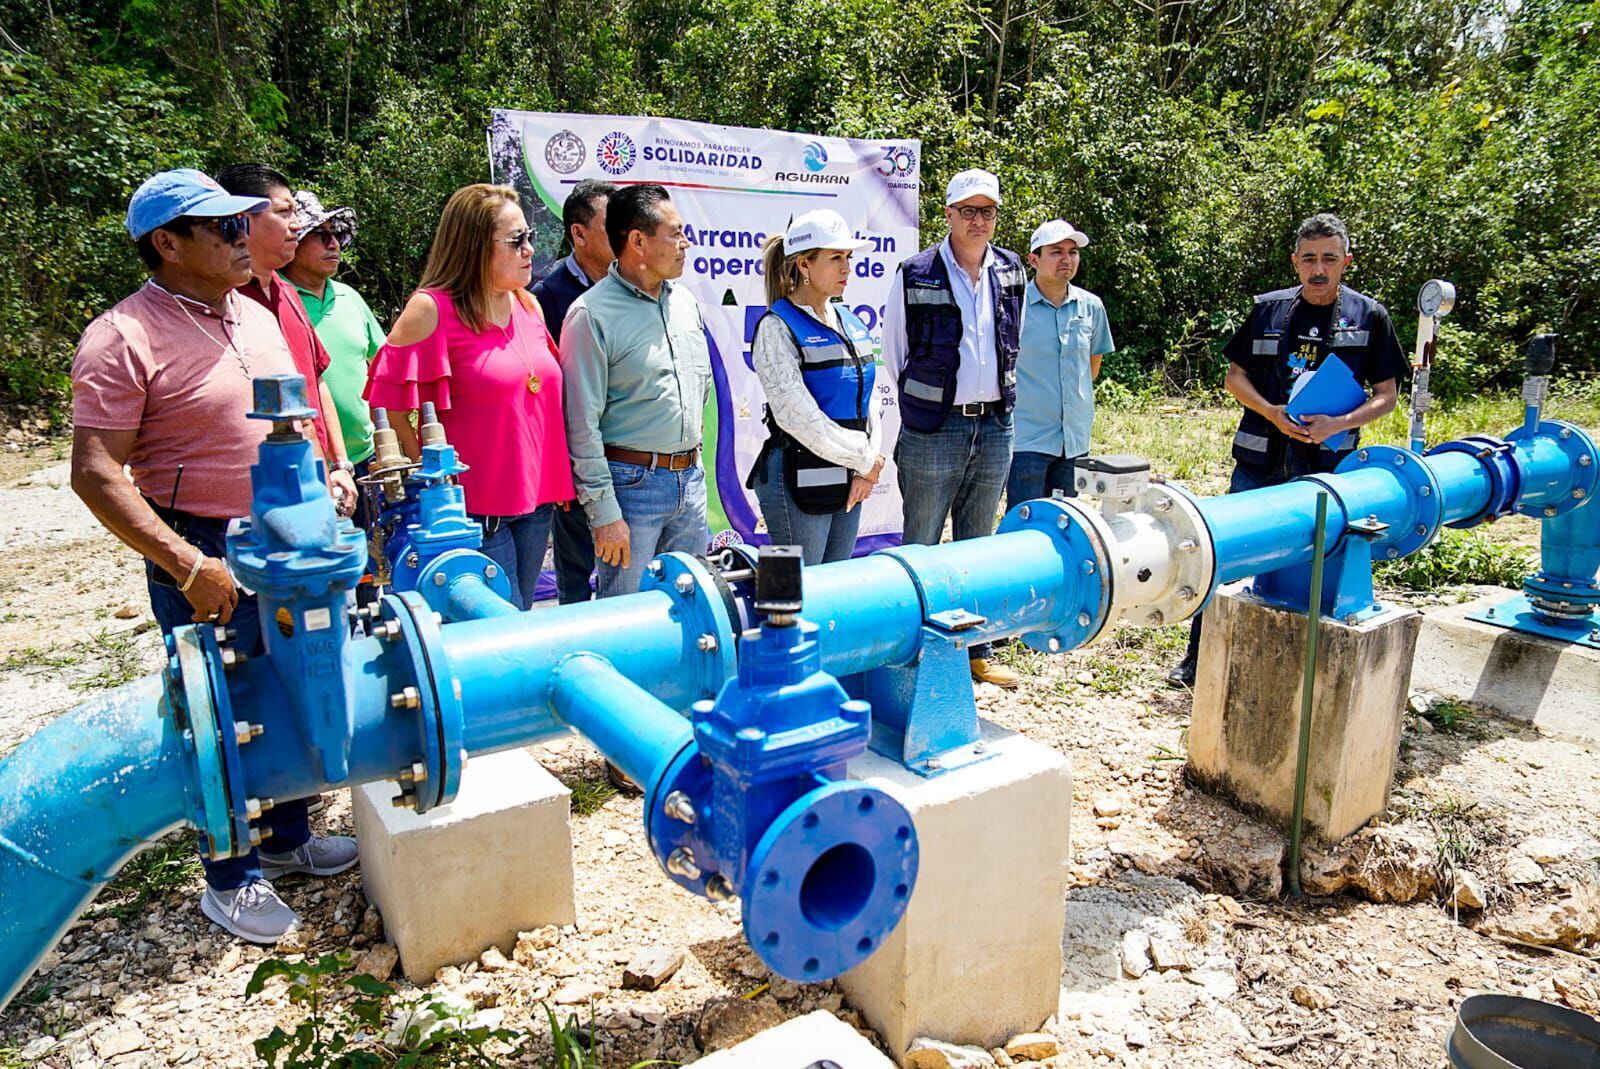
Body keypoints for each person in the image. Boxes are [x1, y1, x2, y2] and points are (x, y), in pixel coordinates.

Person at [70, 168, 357, 945]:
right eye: (225, 228)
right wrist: (187, 566)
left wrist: (329, 469)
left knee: (294, 682)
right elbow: (94, 471)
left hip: (284, 532)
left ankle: (289, 834)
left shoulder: (255, 313)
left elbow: (299, 402)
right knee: (221, 710)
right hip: (202, 545)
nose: (246, 238)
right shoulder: (122, 335)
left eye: (244, 224)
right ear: (167, 243)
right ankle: (231, 877)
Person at [1167, 211, 1406, 686]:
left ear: (1346, 262)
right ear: (1295, 262)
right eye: (1310, 259)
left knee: (1319, 554)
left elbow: (1387, 395)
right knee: (1228, 550)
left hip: (1328, 463)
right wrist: (1272, 411)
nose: (1319, 269)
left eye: (1330, 259)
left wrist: (1338, 422)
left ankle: (1299, 664)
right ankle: (1201, 657)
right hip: (1260, 459)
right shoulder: (1268, 310)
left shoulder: (1369, 316)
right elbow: (1235, 378)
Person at [365, 184, 573, 610]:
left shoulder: (528, 305)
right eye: (516, 241)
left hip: (536, 504)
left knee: (521, 616)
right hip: (471, 515)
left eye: (530, 237)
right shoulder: (431, 309)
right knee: (504, 630)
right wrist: (434, 473)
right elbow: (387, 403)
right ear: (476, 245)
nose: (530, 249)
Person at [881, 168, 1027, 689]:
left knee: (977, 544)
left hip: (993, 427)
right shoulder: (915, 272)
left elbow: (1015, 343)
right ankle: (912, 654)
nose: (978, 221)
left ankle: (973, 653)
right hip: (933, 428)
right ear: (948, 215)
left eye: (987, 211)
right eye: (968, 211)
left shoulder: (1011, 271)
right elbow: (894, 353)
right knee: (920, 541)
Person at [561, 183, 711, 598]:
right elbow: (581, 425)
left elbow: (700, 391)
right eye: (675, 234)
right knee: (627, 621)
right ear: (638, 242)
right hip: (630, 489)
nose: (686, 244)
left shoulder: (685, 303)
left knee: (694, 609)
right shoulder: (590, 315)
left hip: (690, 483)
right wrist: (605, 514)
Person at [215, 164, 358, 519]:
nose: (296, 224)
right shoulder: (221, 302)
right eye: (284, 212)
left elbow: (316, 379)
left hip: (315, 479)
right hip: (263, 497)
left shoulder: (287, 293)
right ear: (240, 220)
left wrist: (339, 463)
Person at [748, 209, 885, 564]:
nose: (846, 268)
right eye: (835, 257)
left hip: (848, 474)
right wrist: (864, 459)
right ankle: (774, 622)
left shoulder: (850, 322)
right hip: (794, 475)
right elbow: (798, 418)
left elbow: (868, 402)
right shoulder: (777, 327)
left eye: (848, 257)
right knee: (790, 592)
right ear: (804, 266)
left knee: (833, 589)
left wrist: (863, 467)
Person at [533, 179, 616, 603]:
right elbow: (545, 391)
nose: (624, 233)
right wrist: (562, 473)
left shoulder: (638, 290)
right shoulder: (545, 297)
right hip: (578, 466)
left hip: (630, 462)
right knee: (577, 576)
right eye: (610, 224)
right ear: (578, 234)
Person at [284, 190, 386, 529]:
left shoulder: (349, 297)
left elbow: (381, 368)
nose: (334, 244)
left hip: (365, 459)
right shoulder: (276, 301)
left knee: (372, 567)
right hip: (308, 466)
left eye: (336, 235)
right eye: (321, 235)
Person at [1007, 219, 1113, 506]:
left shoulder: (1091, 306)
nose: (1066, 259)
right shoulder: (1013, 306)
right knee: (1025, 526)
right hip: (1027, 439)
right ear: (1033, 259)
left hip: (1074, 439)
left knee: (1065, 525)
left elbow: (1092, 366)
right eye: (1056, 252)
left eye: (1072, 252)